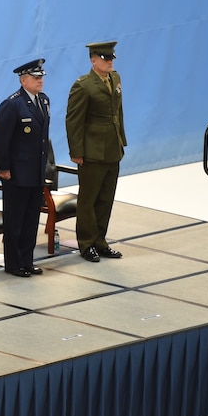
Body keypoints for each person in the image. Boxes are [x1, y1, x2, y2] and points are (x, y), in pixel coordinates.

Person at [65, 41, 127, 262]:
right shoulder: (84, 85)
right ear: (93, 60)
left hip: (112, 148)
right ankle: (86, 243)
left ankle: (100, 241)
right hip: (92, 150)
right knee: (88, 200)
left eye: (111, 58)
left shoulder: (115, 79)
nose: (110, 61)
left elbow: (117, 112)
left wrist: (122, 140)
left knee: (106, 198)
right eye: (105, 58)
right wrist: (76, 151)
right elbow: (74, 120)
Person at [0, 58, 50, 277]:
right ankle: (14, 263)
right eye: (36, 78)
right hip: (16, 173)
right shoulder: (12, 104)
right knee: (15, 220)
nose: (40, 81)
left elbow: (42, 139)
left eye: (41, 77)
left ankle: (27, 260)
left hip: (35, 172)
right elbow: (0, 138)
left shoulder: (43, 101)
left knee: (31, 219)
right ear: (23, 80)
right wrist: (2, 168)